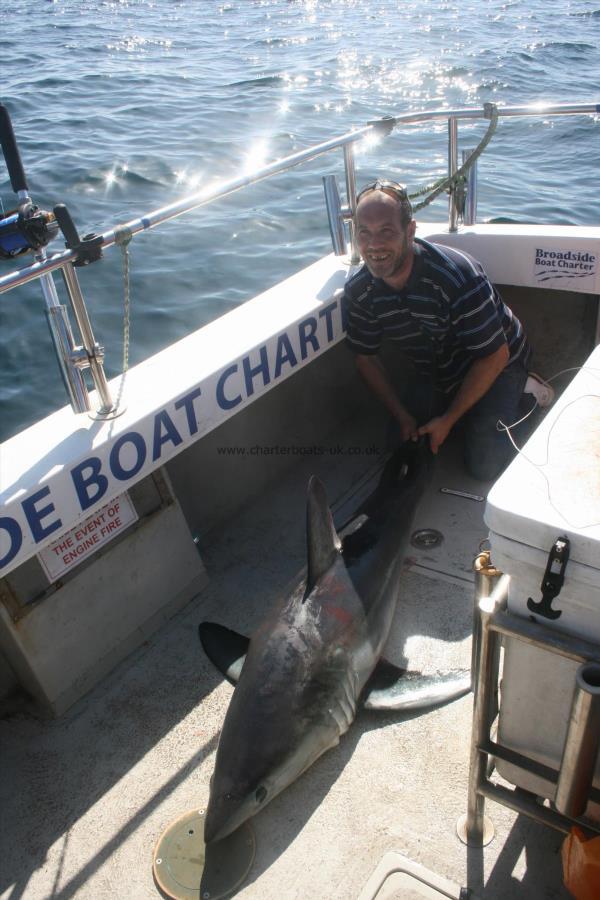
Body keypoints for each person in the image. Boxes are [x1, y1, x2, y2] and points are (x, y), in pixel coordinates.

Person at [344, 179, 553, 481]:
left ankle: (529, 394)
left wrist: (449, 419)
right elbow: (366, 357)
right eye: (364, 233)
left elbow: (495, 355)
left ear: (410, 231)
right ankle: (463, 416)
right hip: (437, 370)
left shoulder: (456, 276)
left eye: (386, 231)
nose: (374, 245)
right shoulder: (360, 291)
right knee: (399, 443)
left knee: (485, 465)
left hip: (498, 364)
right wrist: (402, 415)